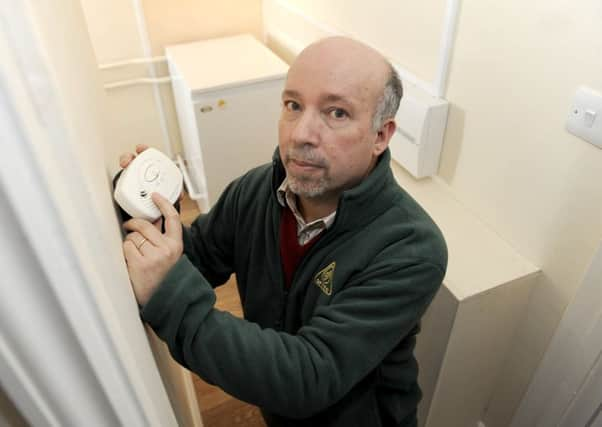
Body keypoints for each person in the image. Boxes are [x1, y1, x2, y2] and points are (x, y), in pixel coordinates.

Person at [120, 36, 447, 427]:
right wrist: (156, 215)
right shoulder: (255, 190)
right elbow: (200, 255)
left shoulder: (411, 248)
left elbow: (306, 377)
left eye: (337, 113)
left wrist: (166, 292)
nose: (301, 134)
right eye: (293, 105)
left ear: (381, 135)